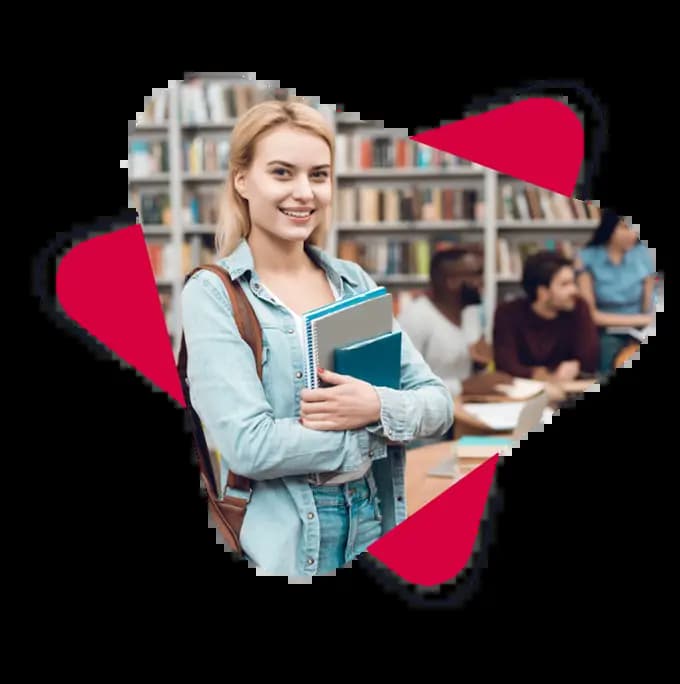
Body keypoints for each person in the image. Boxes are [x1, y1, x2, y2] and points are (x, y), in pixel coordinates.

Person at [180, 99, 453, 578]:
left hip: (376, 516)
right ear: (242, 179)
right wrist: (376, 430)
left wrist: (375, 406)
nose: (304, 192)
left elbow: (438, 403)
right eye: (282, 173)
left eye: (319, 175)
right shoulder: (213, 294)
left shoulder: (353, 282)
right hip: (289, 535)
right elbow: (250, 446)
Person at [397, 247, 513, 400]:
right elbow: (403, 384)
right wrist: (464, 386)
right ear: (452, 282)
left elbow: (468, 369)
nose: (482, 282)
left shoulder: (470, 314)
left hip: (468, 406)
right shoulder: (415, 318)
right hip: (431, 416)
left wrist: (480, 366)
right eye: (477, 274)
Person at [493, 251, 600, 381]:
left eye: (573, 283)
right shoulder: (507, 313)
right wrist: (545, 376)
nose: (574, 290)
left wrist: (575, 367)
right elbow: (505, 366)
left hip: (569, 391)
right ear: (543, 292)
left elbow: (588, 363)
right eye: (565, 284)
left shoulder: (578, 307)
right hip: (523, 391)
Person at [574, 210, 656, 373]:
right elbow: (590, 314)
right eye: (624, 227)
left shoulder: (643, 254)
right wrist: (642, 319)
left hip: (641, 328)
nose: (632, 233)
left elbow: (649, 300)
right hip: (606, 329)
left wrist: (648, 321)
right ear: (609, 227)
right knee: (608, 351)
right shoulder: (586, 258)